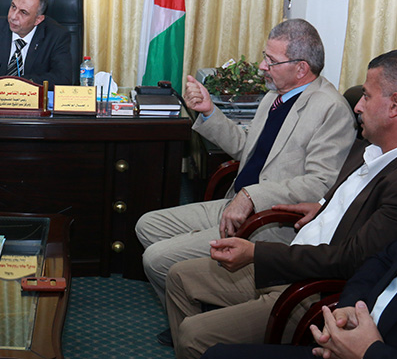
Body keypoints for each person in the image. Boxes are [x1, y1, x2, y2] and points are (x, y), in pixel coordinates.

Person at [165, 50, 397, 359]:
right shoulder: (369, 147)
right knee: (178, 277)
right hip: (292, 257)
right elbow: (342, 196)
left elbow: (354, 258)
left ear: (395, 105)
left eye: (366, 95)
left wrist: (257, 253)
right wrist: (322, 206)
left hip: (310, 290)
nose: (358, 106)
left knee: (194, 334)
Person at [135, 19, 356, 324]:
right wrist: (209, 111)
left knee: (156, 258)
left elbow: (320, 185)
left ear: (301, 68)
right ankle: (195, 308)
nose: (263, 67)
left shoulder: (331, 110)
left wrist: (252, 196)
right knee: (147, 225)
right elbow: (245, 146)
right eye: (265, 57)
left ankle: (196, 329)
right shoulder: (275, 96)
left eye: (271, 61)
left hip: (269, 222)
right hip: (235, 203)